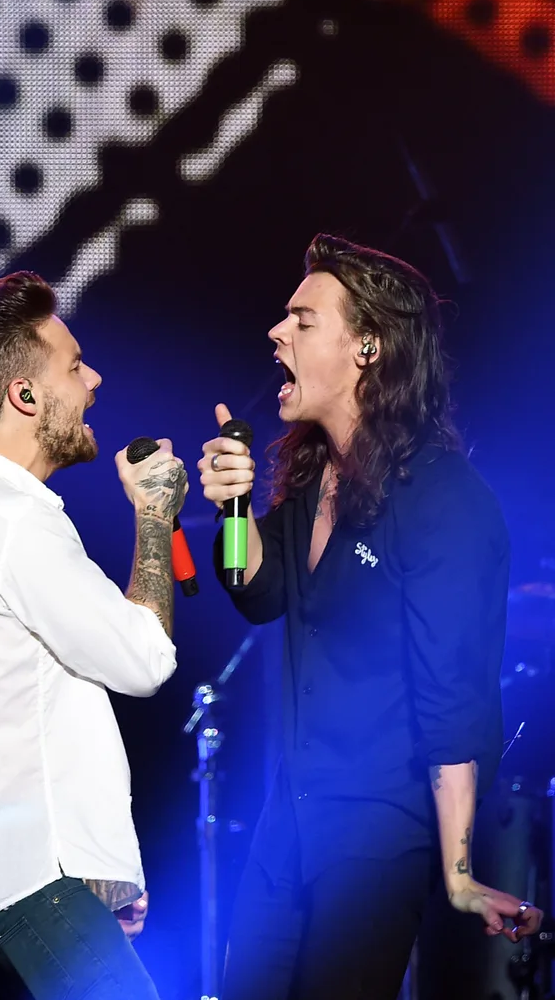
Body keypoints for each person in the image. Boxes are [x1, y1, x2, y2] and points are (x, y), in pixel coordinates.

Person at [198, 234, 543, 999]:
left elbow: (454, 698)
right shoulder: (316, 474)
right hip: (289, 819)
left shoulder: (443, 499)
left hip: (377, 834)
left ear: (367, 348)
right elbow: (258, 591)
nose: (276, 332)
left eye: (303, 319)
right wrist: (233, 505)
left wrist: (456, 874)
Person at [0, 271, 187, 1000]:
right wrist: (152, 514)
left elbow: (3, 713)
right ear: (24, 395)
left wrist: (95, 871)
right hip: (22, 887)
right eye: (74, 366)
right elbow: (144, 658)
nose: (95, 380)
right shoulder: (12, 517)